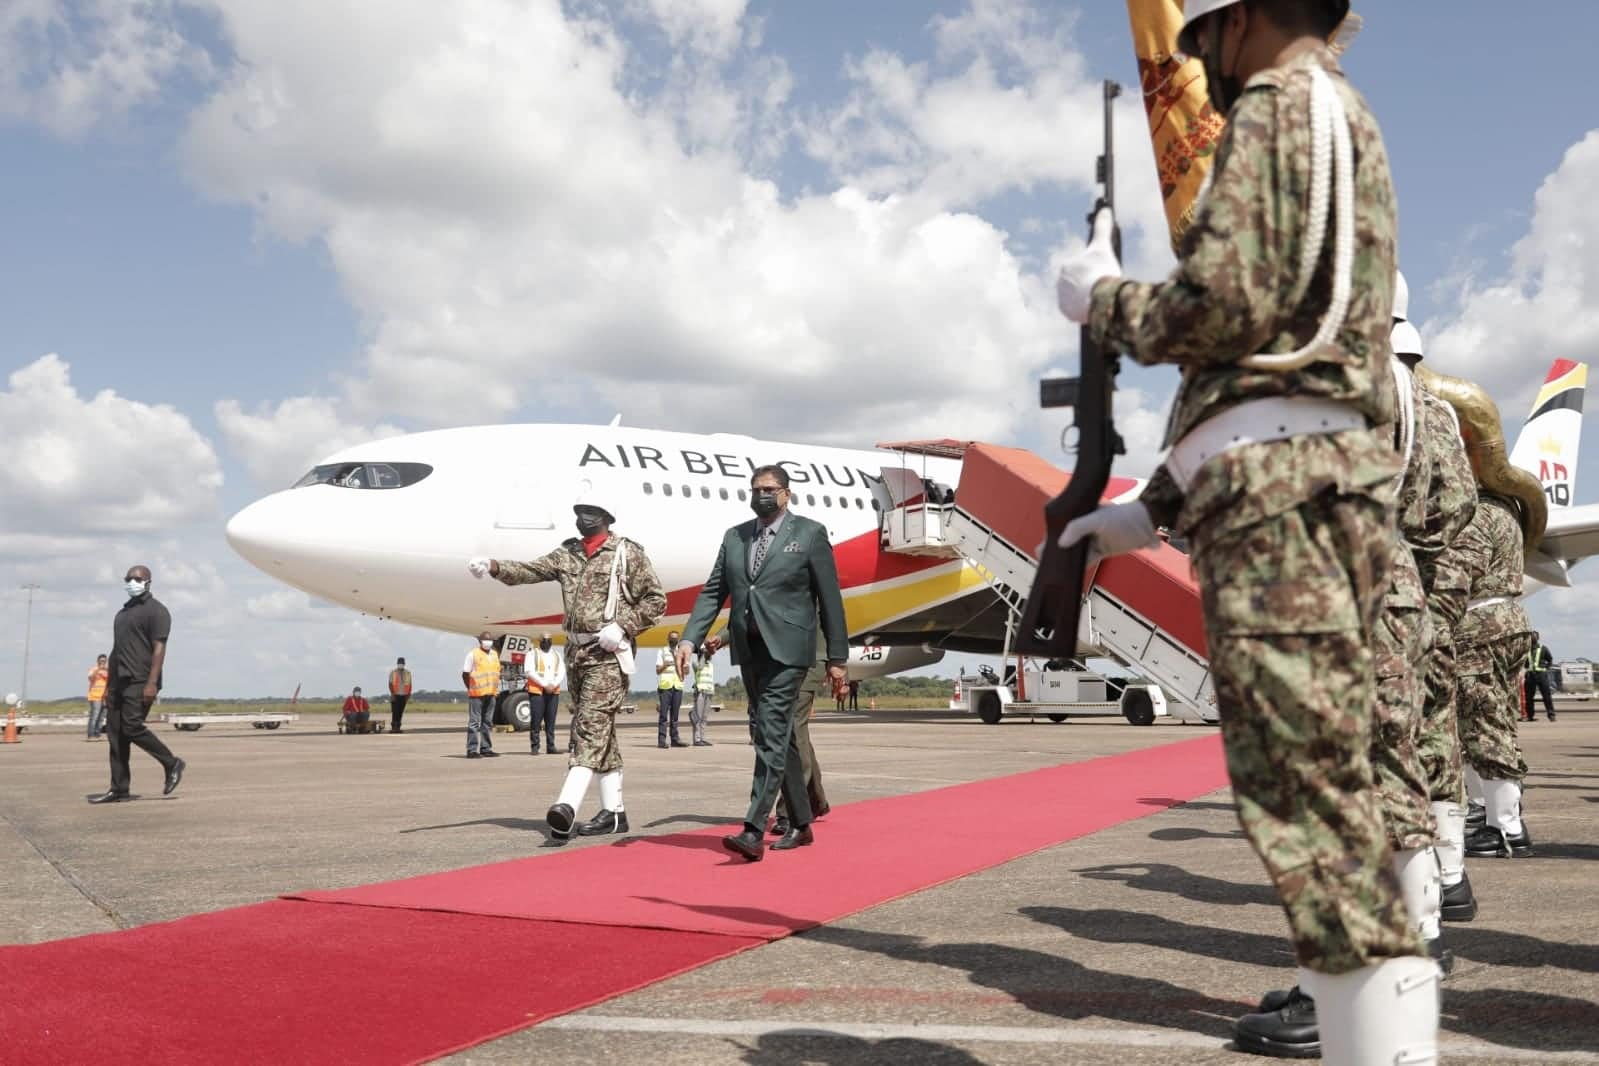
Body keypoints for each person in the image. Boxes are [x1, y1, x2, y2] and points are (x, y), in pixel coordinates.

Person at [1053, 2, 1437, 1061]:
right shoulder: (1330, 114)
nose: (1202, 64)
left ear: (1248, 18)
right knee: (1323, 804)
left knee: (1311, 813)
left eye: (1207, 35)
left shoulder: (1279, 103)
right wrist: (1154, 507)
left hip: (1280, 510)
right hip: (1294, 494)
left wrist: (1102, 299)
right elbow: (1276, 361)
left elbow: (1222, 310)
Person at [677, 464, 849, 863]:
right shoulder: (735, 537)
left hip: (790, 651)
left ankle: (753, 830)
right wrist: (690, 637)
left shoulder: (809, 533)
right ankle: (802, 823)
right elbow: (714, 591)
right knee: (777, 735)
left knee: (769, 732)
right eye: (756, 489)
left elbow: (830, 599)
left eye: (769, 489)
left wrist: (837, 657)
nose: (762, 496)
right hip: (750, 650)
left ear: (787, 494)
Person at [470, 492, 666, 839]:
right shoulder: (568, 553)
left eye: (591, 511)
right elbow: (531, 570)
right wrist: (495, 566)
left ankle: (567, 804)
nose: (583, 517)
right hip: (577, 655)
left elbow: (656, 601)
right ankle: (614, 814)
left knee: (589, 725)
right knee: (600, 730)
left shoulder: (627, 553)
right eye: (580, 511)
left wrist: (623, 626)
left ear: (607, 516)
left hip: (608, 655)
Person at [1454, 494, 1535, 858]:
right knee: (1494, 722)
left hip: (1480, 626)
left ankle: (1505, 828)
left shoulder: (1477, 512)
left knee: (1482, 726)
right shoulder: (1507, 509)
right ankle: (1500, 816)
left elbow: (1462, 572)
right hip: (1507, 621)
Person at [91, 565, 185, 804]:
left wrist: (152, 683)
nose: (132, 582)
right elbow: (116, 651)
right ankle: (119, 789)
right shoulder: (122, 614)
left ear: (148, 582)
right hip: (118, 682)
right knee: (116, 735)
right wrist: (108, 687)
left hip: (141, 680)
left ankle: (171, 763)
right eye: (128, 579)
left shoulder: (157, 611)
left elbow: (159, 648)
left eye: (137, 578)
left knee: (131, 727)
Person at [772, 635, 833, 837]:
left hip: (809, 663)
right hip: (782, 662)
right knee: (799, 734)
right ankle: (816, 800)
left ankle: (789, 811)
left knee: (794, 731)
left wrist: (839, 661)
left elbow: (833, 624)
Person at [460, 631, 502, 759]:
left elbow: (496, 673)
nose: (488, 642)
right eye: (485, 639)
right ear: (479, 641)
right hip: (476, 694)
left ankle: (486, 748)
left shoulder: (494, 654)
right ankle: (472, 750)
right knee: (474, 723)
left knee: (487, 722)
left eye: (490, 640)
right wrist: (471, 688)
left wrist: (496, 690)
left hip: (491, 693)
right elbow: (465, 674)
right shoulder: (473, 654)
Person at [527, 633, 566, 755]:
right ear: (539, 641)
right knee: (536, 721)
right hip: (537, 692)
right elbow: (529, 671)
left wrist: (553, 684)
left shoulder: (556, 655)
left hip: (553, 692)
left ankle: (551, 746)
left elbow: (561, 671)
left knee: (551, 721)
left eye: (549, 640)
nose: (546, 642)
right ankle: (535, 746)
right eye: (544, 640)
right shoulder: (532, 654)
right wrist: (544, 684)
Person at [655, 630, 688, 748]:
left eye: (676, 638)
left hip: (677, 686)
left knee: (675, 716)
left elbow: (686, 672)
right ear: (668, 639)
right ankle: (661, 740)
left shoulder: (681, 652)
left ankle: (675, 739)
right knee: (663, 715)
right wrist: (666, 665)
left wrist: (686, 667)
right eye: (672, 638)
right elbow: (657, 670)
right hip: (666, 686)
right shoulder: (662, 651)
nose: (674, 640)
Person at [689, 644, 716, 746]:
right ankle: (697, 739)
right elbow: (700, 667)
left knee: (704, 717)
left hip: (709, 692)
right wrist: (703, 655)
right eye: (705, 652)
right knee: (698, 717)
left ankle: (703, 738)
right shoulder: (695, 663)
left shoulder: (711, 665)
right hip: (700, 692)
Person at [1524, 638, 1556, 722]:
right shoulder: (1526, 649)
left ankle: (1551, 715)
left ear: (1537, 638)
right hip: (1530, 675)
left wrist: (1546, 669)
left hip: (1541, 675)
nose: (1532, 638)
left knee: (1546, 696)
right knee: (1528, 697)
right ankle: (1530, 716)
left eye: (1534, 637)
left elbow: (1550, 660)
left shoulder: (1543, 648)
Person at [85, 654, 109, 741]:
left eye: (104, 661)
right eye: (101, 661)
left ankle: (97, 734)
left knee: (101, 717)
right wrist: (98, 669)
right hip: (95, 696)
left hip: (105, 697)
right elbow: (91, 678)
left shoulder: (108, 671)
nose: (103, 662)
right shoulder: (94, 669)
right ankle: (91, 735)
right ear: (98, 661)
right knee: (95, 716)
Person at [387, 657, 412, 733]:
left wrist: (408, 695)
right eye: (399, 663)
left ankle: (398, 727)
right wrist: (392, 694)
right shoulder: (393, 672)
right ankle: (394, 727)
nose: (400, 665)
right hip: (395, 695)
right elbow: (390, 684)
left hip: (404, 695)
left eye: (402, 663)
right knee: (395, 712)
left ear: (404, 664)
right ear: (397, 664)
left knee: (400, 712)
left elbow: (410, 685)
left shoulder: (408, 673)